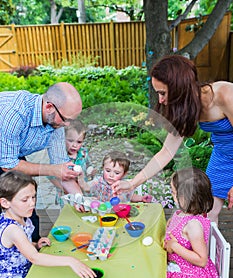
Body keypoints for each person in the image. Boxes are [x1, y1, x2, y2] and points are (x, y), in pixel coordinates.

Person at [112, 54, 233, 226]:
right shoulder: (187, 109)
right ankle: (207, 250)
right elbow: (166, 152)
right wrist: (132, 183)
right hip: (223, 154)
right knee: (207, 211)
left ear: (179, 87)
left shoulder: (224, 94)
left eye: (162, 93)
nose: (160, 100)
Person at [0, 171, 96, 278]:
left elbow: (19, 247)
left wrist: (35, 244)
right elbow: (35, 258)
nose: (32, 203)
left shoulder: (21, 216)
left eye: (33, 197)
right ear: (5, 202)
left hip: (27, 273)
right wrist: (70, 261)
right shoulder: (12, 228)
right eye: (25, 199)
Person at [0, 82, 84, 242]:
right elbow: (8, 165)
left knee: (26, 207)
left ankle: (34, 248)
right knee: (7, 212)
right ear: (49, 107)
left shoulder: (56, 124)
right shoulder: (14, 113)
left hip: (9, 155)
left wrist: (80, 199)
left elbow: (63, 168)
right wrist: (53, 170)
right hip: (8, 160)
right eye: (65, 119)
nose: (66, 125)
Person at [163, 167, 222, 278]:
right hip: (177, 266)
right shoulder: (181, 213)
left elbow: (202, 260)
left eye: (175, 193)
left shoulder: (194, 225)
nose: (172, 196)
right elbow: (175, 225)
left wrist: (175, 247)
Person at [49, 120, 97, 205]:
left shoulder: (83, 153)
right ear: (63, 138)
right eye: (71, 141)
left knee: (82, 209)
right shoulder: (60, 157)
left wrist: (91, 170)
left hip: (82, 190)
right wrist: (64, 189)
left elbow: (88, 164)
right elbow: (51, 176)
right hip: (66, 195)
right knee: (68, 213)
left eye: (79, 142)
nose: (74, 145)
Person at [78, 151, 153, 203]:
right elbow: (86, 187)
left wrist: (141, 198)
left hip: (118, 214)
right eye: (108, 170)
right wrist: (80, 177)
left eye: (117, 173)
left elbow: (131, 196)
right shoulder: (98, 181)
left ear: (124, 174)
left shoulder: (123, 185)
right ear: (103, 168)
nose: (111, 175)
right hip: (101, 214)